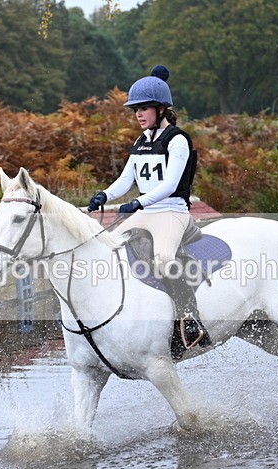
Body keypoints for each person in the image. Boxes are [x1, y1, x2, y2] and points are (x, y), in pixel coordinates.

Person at [87, 65, 211, 351]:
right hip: (145, 212)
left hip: (171, 212)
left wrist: (138, 202)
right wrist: (103, 196)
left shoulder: (178, 139)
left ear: (160, 109)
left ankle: (190, 319)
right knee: (107, 248)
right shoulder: (140, 141)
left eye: (143, 109)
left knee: (164, 259)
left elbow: (169, 184)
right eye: (135, 110)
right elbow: (125, 180)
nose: (138, 115)